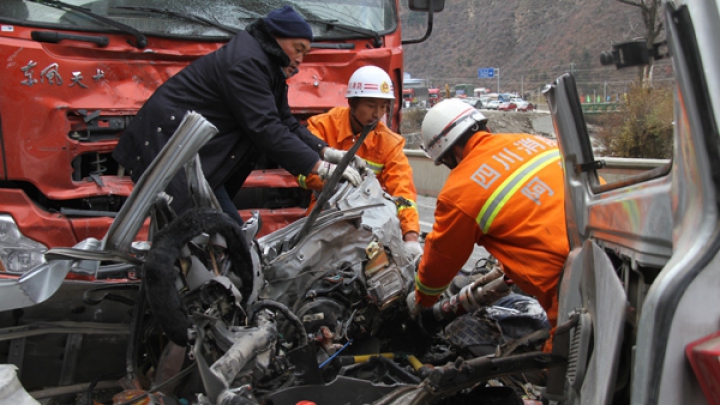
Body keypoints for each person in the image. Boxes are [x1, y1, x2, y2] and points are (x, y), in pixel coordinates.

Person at [113, 5, 361, 225]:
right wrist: (318, 167)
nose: (299, 60)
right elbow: (266, 129)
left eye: (304, 54)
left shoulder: (267, 66)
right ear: (275, 38)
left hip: (195, 159)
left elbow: (285, 122)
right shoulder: (247, 64)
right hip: (169, 149)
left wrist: (326, 152)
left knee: (207, 234)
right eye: (298, 49)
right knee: (222, 236)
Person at [413, 98, 569, 334]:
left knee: (561, 361)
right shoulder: (534, 142)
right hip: (615, 244)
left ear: (449, 150)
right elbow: (531, 215)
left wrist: (421, 300)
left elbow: (440, 261)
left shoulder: (460, 191)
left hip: (567, 282)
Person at [297, 66, 422, 259]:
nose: (378, 113)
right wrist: (338, 182)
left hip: (369, 227)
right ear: (352, 103)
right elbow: (303, 174)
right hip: (323, 220)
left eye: (384, 107)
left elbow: (403, 190)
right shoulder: (322, 127)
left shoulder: (389, 142)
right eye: (371, 106)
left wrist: (411, 236)